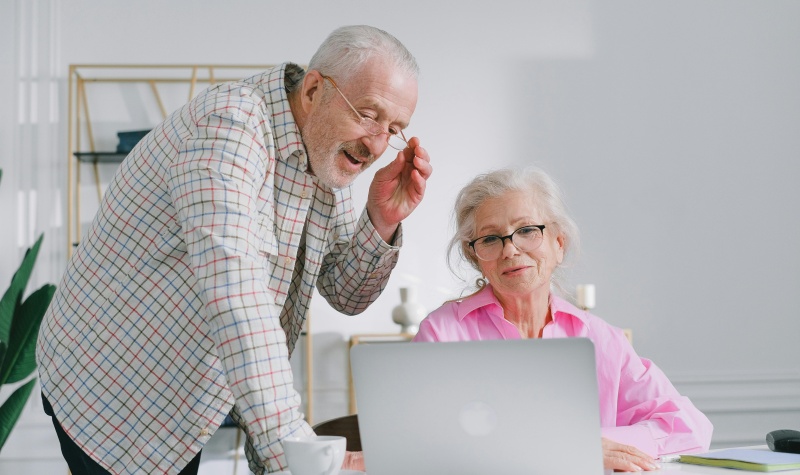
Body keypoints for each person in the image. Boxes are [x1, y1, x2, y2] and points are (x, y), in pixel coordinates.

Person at [37, 25, 431, 475]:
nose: (378, 144)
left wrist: (381, 220)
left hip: (185, 399)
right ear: (315, 88)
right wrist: (307, 460)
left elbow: (345, 293)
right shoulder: (228, 128)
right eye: (367, 114)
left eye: (394, 129)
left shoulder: (326, 152)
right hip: (112, 389)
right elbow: (238, 299)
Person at [412, 167, 712, 472]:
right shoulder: (442, 333)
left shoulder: (600, 338)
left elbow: (689, 428)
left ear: (558, 243)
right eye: (490, 238)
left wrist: (594, 443)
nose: (510, 249)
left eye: (527, 231)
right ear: (476, 258)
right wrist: (571, 447)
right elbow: (423, 444)